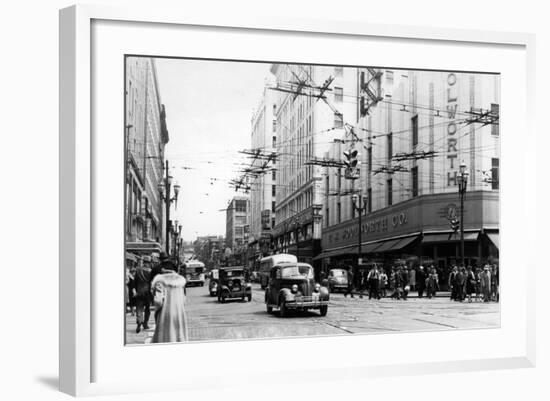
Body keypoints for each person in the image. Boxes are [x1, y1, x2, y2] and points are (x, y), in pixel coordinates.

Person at [151, 258, 189, 343]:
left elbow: (158, 301)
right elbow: (183, 300)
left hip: (165, 314)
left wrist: (156, 311)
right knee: (178, 337)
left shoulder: (160, 281)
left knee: (165, 338)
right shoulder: (180, 282)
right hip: (179, 314)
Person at [134, 257, 152, 333]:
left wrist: (135, 290)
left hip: (139, 292)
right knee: (147, 309)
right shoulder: (150, 271)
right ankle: (145, 324)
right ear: (149, 262)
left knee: (139, 308)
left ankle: (139, 321)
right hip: (147, 293)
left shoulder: (138, 271)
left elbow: (135, 282)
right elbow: (152, 282)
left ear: (144, 262)